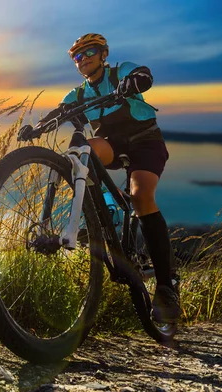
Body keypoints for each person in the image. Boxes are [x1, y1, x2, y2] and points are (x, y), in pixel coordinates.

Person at [37, 33, 180, 323]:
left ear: (103, 54)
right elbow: (58, 112)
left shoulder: (120, 71)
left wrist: (136, 81)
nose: (84, 58)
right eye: (78, 56)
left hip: (145, 142)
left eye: (90, 51)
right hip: (111, 144)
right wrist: (38, 127)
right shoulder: (77, 94)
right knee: (82, 153)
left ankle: (167, 287)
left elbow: (143, 75)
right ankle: (100, 216)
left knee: (141, 196)